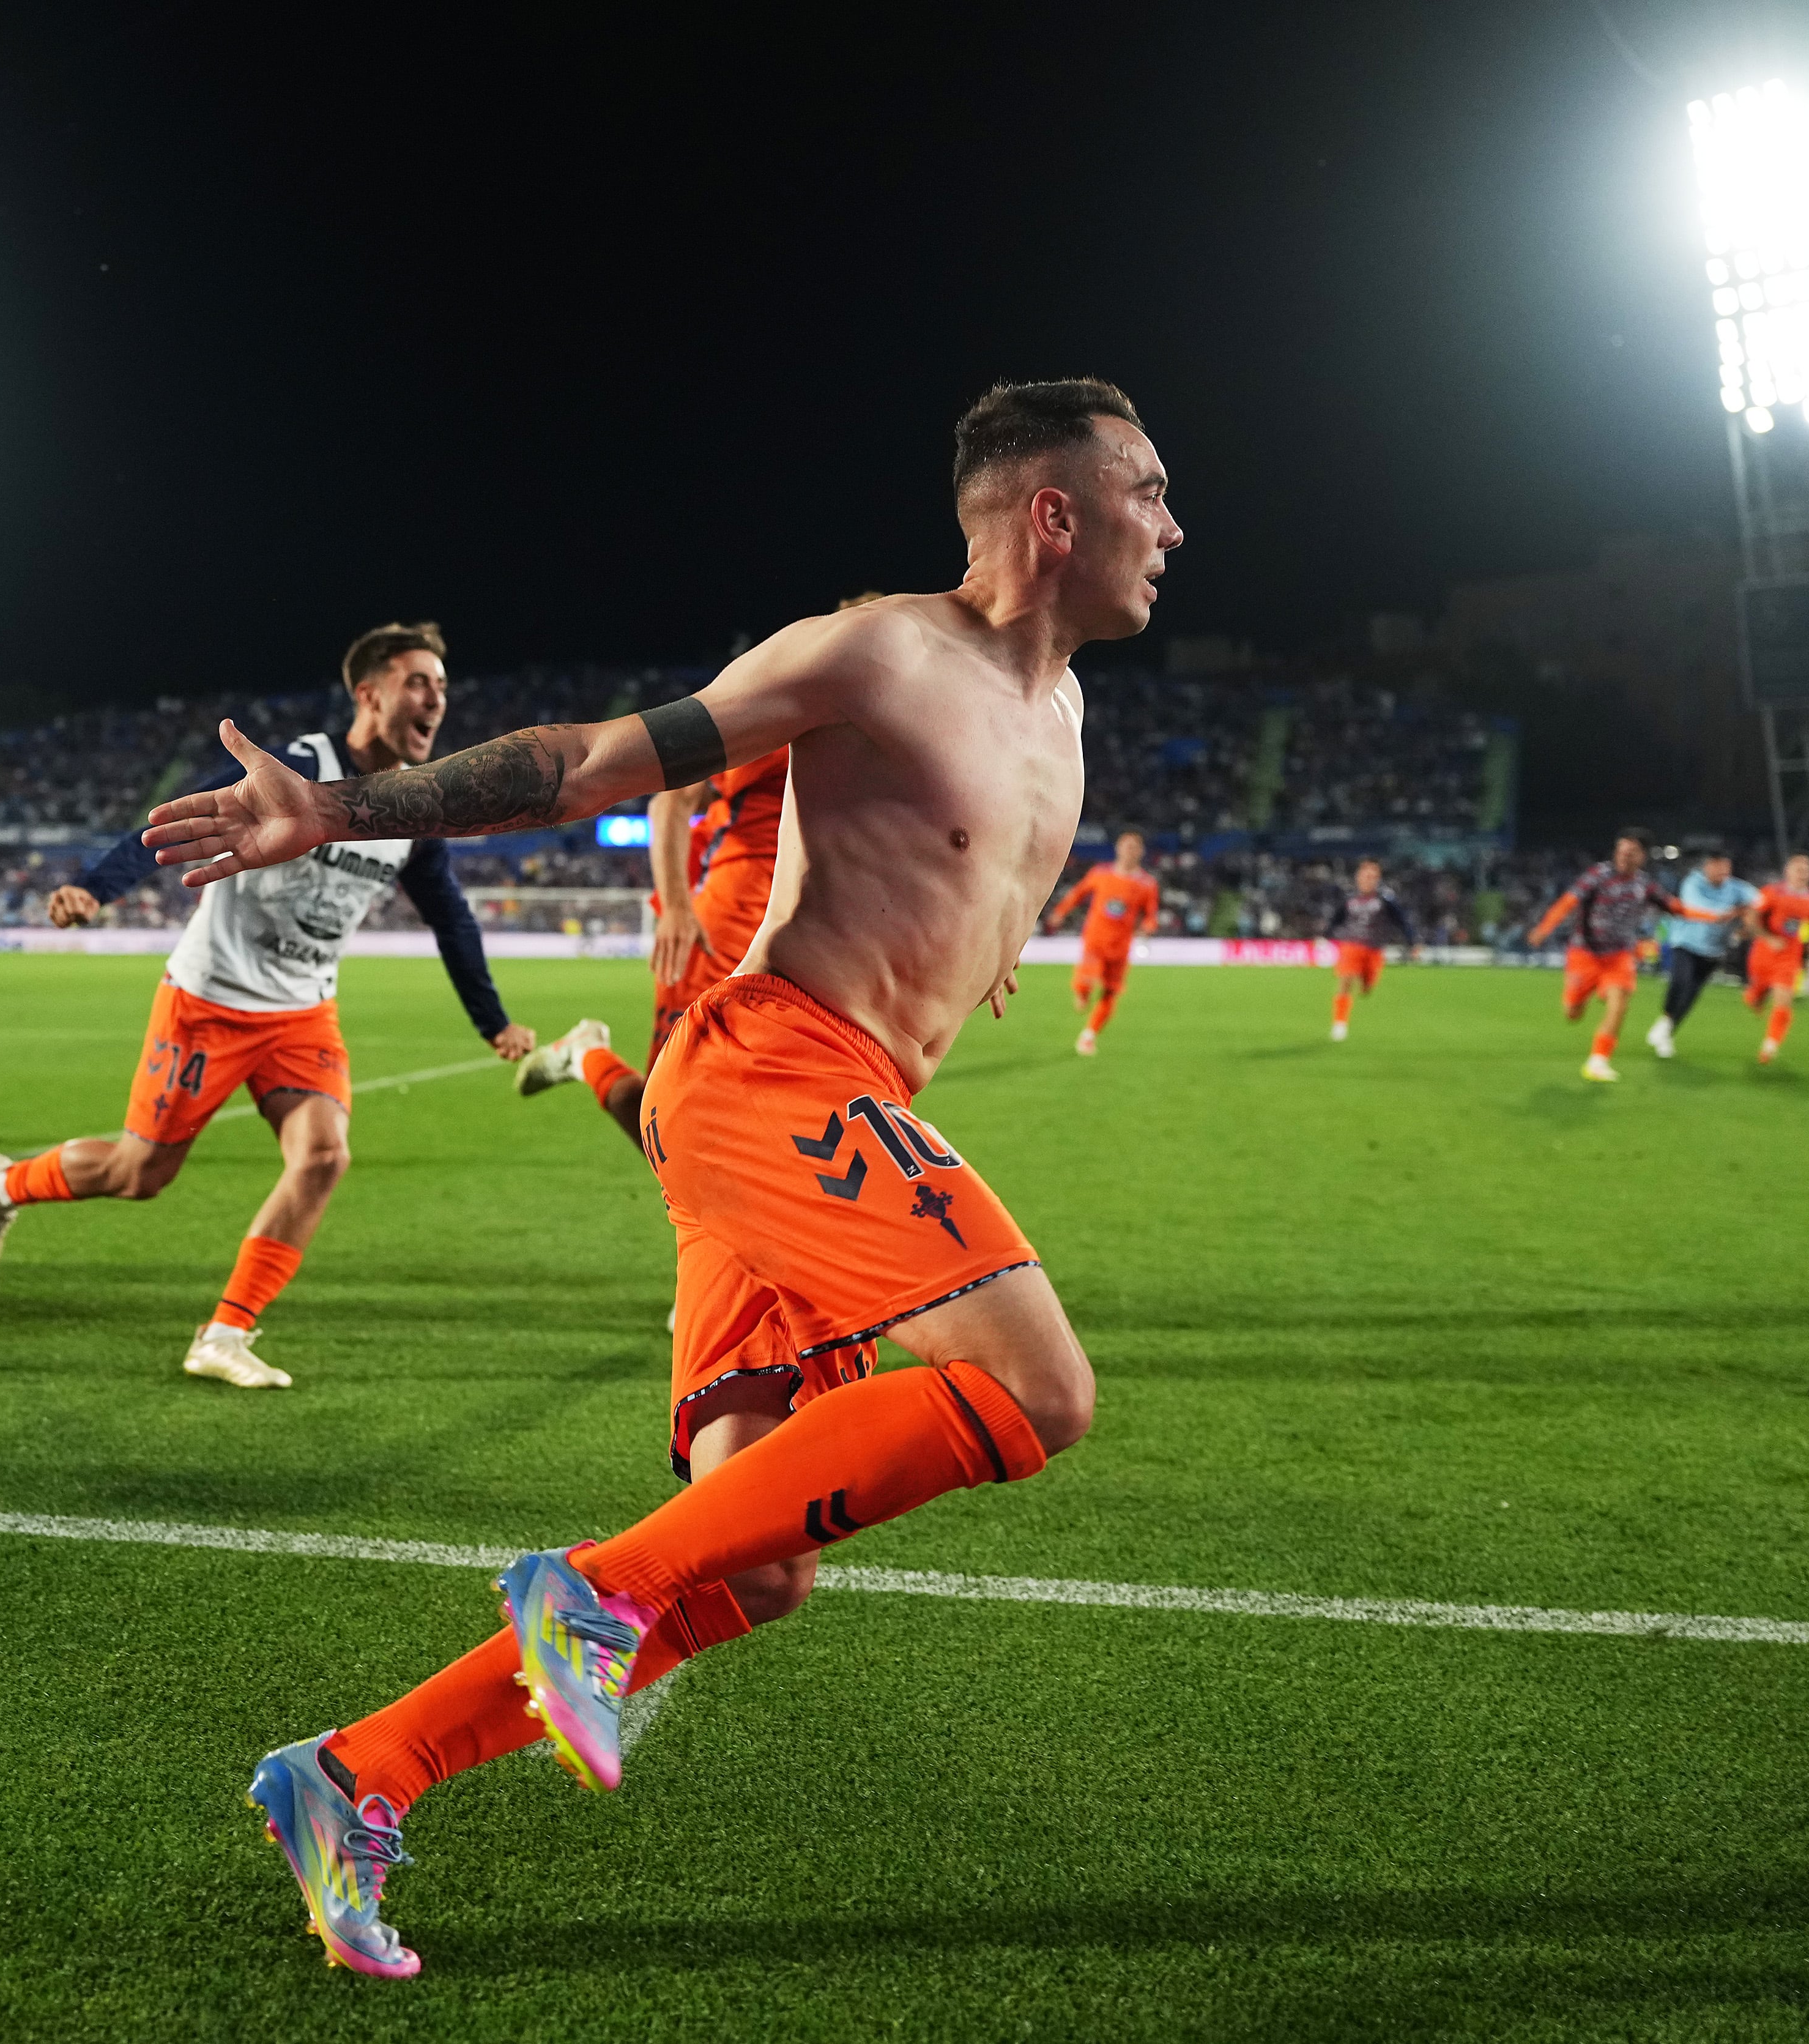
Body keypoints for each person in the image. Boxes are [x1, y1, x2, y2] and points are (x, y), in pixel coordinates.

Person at [141, 377, 1173, 1977]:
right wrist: (346, 807)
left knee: (755, 1562)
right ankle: (583, 1596)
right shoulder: (874, 650)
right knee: (1039, 1390)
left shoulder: (1067, 711)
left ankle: (357, 1773)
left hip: (830, 1103)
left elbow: (950, 876)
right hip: (775, 1066)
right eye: (1149, 493)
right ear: (1055, 510)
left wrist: (984, 953)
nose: (1171, 529)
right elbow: (591, 764)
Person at [0, 622, 538, 1386]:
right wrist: (95, 888)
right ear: (369, 694)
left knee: (324, 1156)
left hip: (303, 1014)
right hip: (212, 1000)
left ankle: (224, 1333)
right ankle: (3, 1184)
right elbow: (182, 821)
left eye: (442, 685)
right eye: (419, 681)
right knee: (141, 1173)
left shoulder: (415, 810)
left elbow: (451, 916)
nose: (437, 698)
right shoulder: (302, 767)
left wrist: (492, 1020)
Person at [517, 741, 790, 1143]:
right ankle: (586, 1055)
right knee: (671, 1126)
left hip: (805, 929)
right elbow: (674, 799)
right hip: (726, 924)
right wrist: (679, 908)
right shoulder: (795, 699)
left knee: (769, 1121)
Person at [1526, 833, 1718, 1082]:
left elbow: (1675, 908)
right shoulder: (1597, 876)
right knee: (1572, 1012)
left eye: (1631, 853)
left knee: (1620, 1004)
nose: (1624, 857)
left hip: (1619, 956)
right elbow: (1569, 901)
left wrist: (1712, 917)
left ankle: (1598, 1061)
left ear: (1642, 857)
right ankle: (1581, 997)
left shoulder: (1645, 885)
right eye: (1621, 851)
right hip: (1586, 953)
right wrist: (1545, 927)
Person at [1042, 831, 1157, 1054]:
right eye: (1126, 846)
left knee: (1110, 993)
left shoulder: (1147, 884)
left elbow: (1151, 914)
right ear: (1118, 848)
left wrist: (1149, 927)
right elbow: (1078, 893)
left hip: (1121, 947)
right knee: (1085, 982)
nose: (1129, 851)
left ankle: (1089, 1035)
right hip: (1096, 940)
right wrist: (1060, 912)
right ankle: (1083, 992)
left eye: (1134, 847)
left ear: (1141, 852)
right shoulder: (1100, 874)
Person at [1643, 849, 1758, 1059]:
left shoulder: (1736, 887)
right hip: (1685, 943)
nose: (1724, 871)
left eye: (1727, 867)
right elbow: (1700, 909)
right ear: (1708, 867)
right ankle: (1666, 1022)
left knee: (1691, 995)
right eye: (1718, 866)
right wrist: (1734, 911)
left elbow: (1760, 900)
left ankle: (1667, 1033)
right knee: (1680, 982)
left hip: (1714, 951)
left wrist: (1748, 911)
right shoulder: (1693, 883)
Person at [1323, 857, 1414, 1041]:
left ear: (1378, 879)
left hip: (1374, 949)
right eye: (1366, 875)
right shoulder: (1349, 898)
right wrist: (1325, 936)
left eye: (1373, 876)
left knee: (1368, 986)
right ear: (1359, 877)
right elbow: (1336, 918)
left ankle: (1366, 983)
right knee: (1346, 980)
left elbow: (1401, 920)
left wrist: (1412, 941)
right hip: (1351, 944)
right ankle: (1340, 1024)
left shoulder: (1386, 899)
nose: (1368, 879)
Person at [1740, 853, 1809, 1064]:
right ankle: (1754, 997)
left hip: (1789, 957)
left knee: (1783, 1001)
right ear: (1787, 872)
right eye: (1798, 869)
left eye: (1806, 870)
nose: (1802, 874)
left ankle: (1770, 1046)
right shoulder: (1771, 892)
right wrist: (1768, 938)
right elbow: (1751, 916)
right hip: (1763, 954)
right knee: (1756, 996)